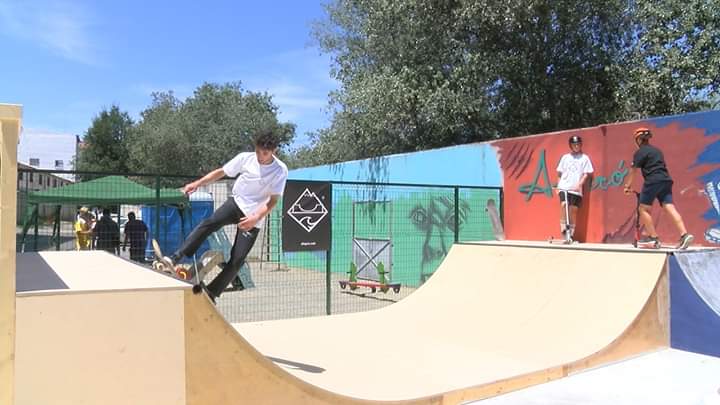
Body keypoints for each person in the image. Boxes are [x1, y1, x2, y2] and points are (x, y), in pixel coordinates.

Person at [161, 129, 288, 302]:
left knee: (237, 259)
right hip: (235, 203)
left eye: (264, 153)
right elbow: (221, 172)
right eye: (257, 151)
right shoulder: (246, 158)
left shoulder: (280, 170)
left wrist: (255, 218)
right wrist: (197, 183)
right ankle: (175, 257)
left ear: (274, 151)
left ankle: (211, 293)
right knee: (209, 223)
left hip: (254, 216)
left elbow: (272, 201)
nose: (260, 156)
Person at [624, 127, 694, 249]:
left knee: (643, 209)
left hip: (652, 181)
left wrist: (627, 185)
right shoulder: (657, 151)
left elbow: (633, 170)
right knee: (669, 207)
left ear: (638, 140)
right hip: (666, 180)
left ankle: (653, 238)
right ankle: (684, 234)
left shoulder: (640, 152)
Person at [556, 135, 594, 243]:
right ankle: (563, 229)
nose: (576, 146)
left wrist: (579, 184)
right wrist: (558, 186)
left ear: (580, 145)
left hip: (576, 189)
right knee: (564, 205)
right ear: (570, 146)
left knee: (573, 210)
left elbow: (586, 173)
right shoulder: (565, 157)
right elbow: (559, 172)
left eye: (578, 144)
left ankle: (570, 234)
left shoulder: (585, 158)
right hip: (564, 187)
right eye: (574, 144)